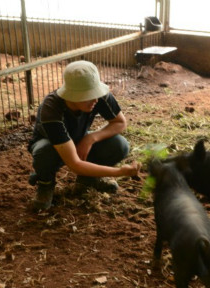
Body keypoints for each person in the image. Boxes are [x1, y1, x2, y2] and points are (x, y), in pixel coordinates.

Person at [27, 60, 141, 210]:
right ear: (72, 95)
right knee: (44, 152)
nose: (95, 99)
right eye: (89, 95)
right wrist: (119, 172)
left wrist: (90, 138)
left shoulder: (98, 96)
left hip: (79, 137)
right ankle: (45, 184)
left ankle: (87, 180)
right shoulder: (51, 108)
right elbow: (75, 164)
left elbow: (119, 122)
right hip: (53, 145)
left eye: (96, 93)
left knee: (119, 145)